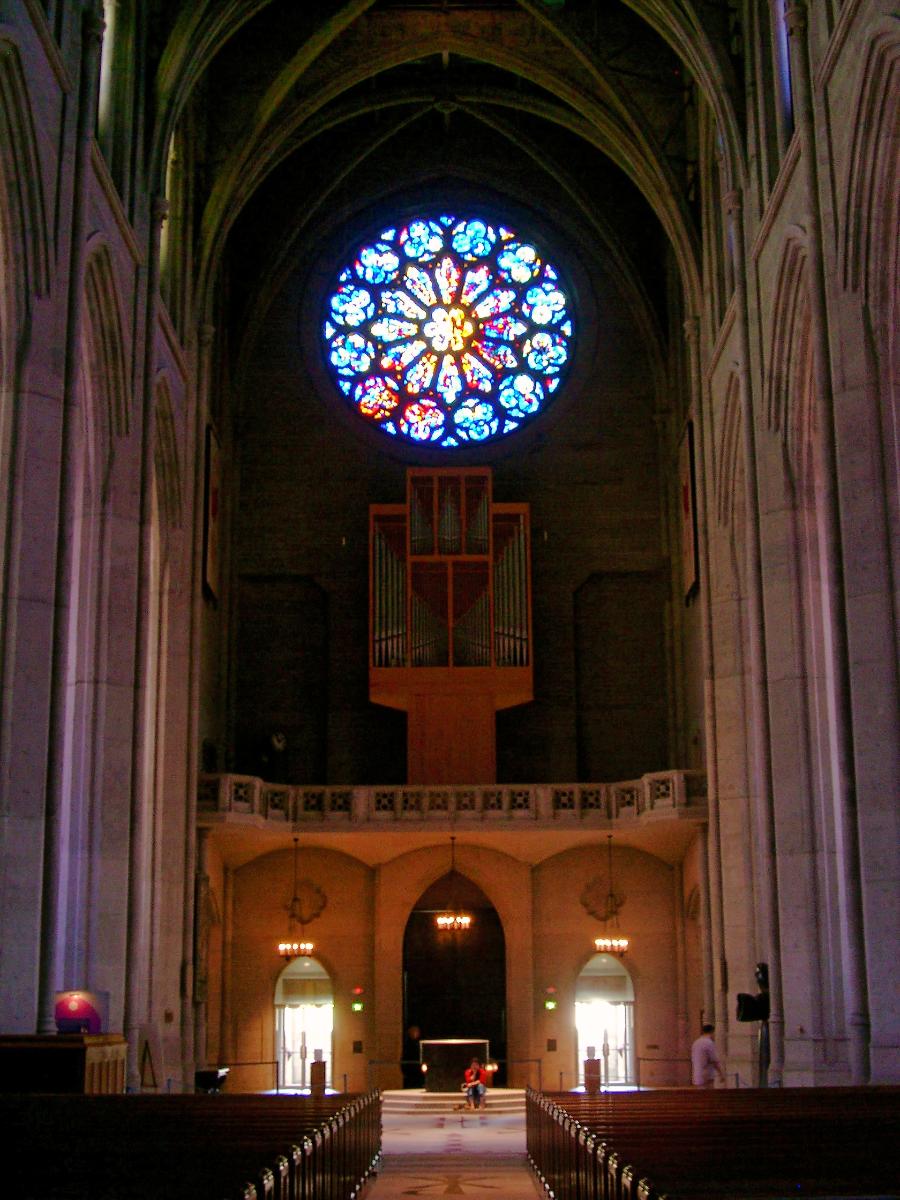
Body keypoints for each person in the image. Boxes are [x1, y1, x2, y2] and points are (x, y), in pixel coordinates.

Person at [691, 1023, 725, 1087]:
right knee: (708, 1094)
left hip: (696, 1074)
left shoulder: (696, 1043)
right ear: (712, 1032)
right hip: (707, 1076)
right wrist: (721, 1074)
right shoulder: (709, 1043)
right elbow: (714, 1060)